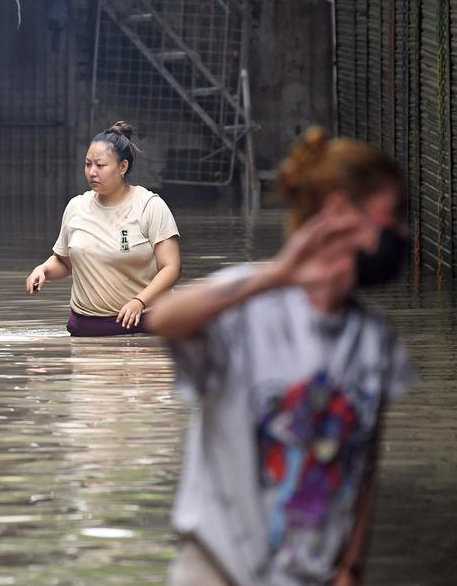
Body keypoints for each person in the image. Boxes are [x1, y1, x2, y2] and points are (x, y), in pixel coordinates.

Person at [146, 127, 416, 586]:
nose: (403, 233)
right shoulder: (248, 303)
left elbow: (363, 465)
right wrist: (279, 274)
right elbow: (165, 318)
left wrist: (350, 566)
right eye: (391, 216)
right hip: (218, 568)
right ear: (338, 212)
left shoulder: (375, 339)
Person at [25, 121, 181, 336]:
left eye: (100, 165)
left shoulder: (149, 206)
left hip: (144, 328)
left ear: (123, 167)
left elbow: (171, 268)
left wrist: (140, 301)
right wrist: (42, 270)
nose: (92, 172)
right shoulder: (76, 207)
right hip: (85, 330)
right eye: (88, 164)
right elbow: (64, 262)